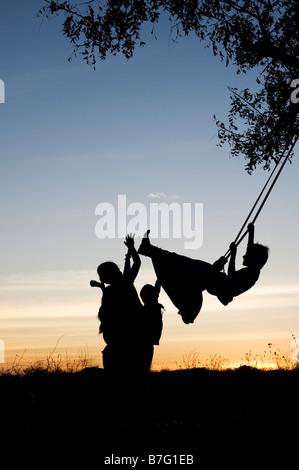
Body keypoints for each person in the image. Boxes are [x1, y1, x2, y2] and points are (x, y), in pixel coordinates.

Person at [138, 224, 269, 324]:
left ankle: (150, 250)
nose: (244, 254)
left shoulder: (252, 274)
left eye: (248, 255)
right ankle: (150, 250)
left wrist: (225, 260)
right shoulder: (253, 270)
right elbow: (249, 251)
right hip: (213, 280)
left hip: (213, 281)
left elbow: (231, 277)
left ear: (254, 259)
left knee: (181, 263)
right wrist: (251, 232)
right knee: (180, 263)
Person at [90, 234, 143, 417]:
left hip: (124, 344)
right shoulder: (117, 287)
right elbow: (136, 264)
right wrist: (131, 249)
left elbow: (136, 264)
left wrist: (131, 249)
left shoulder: (121, 286)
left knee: (121, 386)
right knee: (122, 387)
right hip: (121, 344)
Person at [139, 278, 164, 371]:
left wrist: (159, 276)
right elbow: (157, 288)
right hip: (145, 342)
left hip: (146, 342)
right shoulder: (147, 309)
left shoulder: (148, 307)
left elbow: (157, 288)